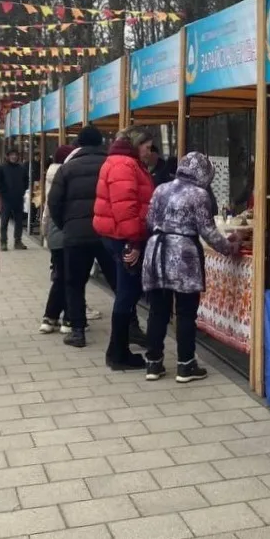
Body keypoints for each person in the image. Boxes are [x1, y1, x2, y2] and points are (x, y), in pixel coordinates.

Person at [141, 152, 238, 383]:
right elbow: (208, 231)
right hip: (183, 254)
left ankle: (153, 364)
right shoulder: (199, 195)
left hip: (155, 252)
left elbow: (149, 220)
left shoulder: (161, 189)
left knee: (157, 311)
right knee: (185, 312)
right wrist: (229, 246)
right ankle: (186, 365)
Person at [94, 126, 155, 370]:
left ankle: (117, 349)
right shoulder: (125, 165)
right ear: (136, 144)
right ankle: (118, 352)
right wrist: (135, 241)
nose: (150, 153)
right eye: (148, 148)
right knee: (127, 294)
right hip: (124, 238)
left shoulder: (121, 162)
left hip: (118, 235)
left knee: (126, 293)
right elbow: (126, 207)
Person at [48, 125, 114, 348]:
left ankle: (77, 331)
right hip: (106, 233)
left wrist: (67, 225)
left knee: (74, 283)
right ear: (100, 142)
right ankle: (130, 325)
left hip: (75, 235)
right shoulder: (111, 165)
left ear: (79, 144)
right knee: (118, 282)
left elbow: (54, 203)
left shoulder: (67, 169)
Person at [39, 144, 75, 334]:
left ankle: (49, 317)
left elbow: (47, 210)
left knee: (60, 277)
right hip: (69, 235)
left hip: (55, 235)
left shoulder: (52, 178)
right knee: (72, 279)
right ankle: (68, 318)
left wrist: (46, 233)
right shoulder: (68, 177)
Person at [0, 149, 28, 251]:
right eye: (12, 155)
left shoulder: (22, 168)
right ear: (7, 156)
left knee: (19, 221)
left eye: (16, 155)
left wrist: (22, 190)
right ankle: (3, 242)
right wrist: (4, 191)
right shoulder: (1, 168)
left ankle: (18, 241)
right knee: (4, 221)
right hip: (6, 199)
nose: (14, 157)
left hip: (18, 198)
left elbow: (26, 180)